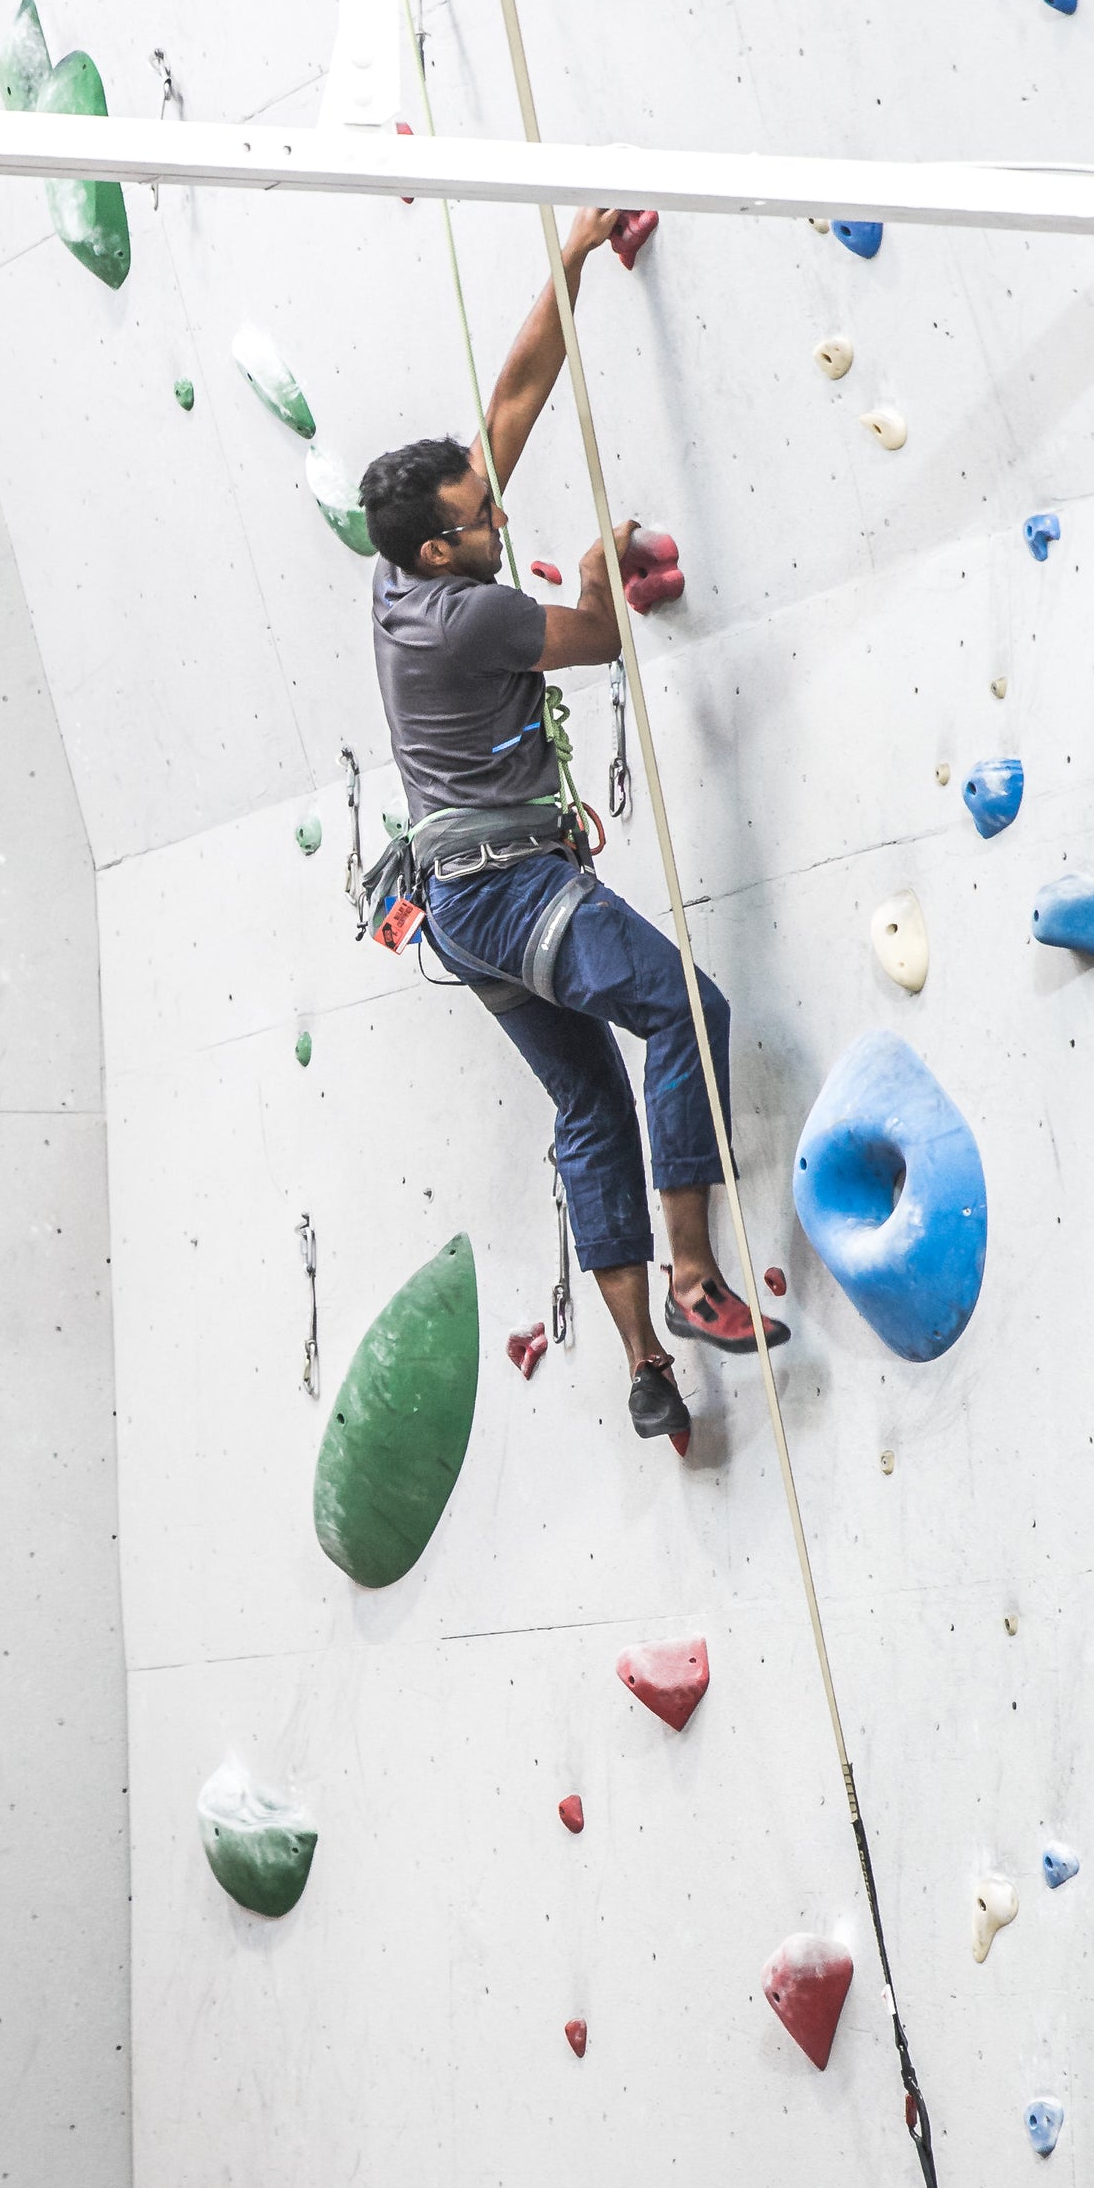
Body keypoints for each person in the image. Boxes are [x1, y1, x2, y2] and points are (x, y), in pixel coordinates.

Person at [359, 208, 785, 1447]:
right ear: (440, 547)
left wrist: (575, 255)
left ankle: (646, 1368)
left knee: (590, 1106)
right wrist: (596, 578)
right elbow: (595, 640)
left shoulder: (396, 576)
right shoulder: (470, 618)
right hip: (508, 889)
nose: (497, 520)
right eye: (479, 519)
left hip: (460, 908)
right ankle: (693, 1279)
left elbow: (513, 396)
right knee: (684, 1009)